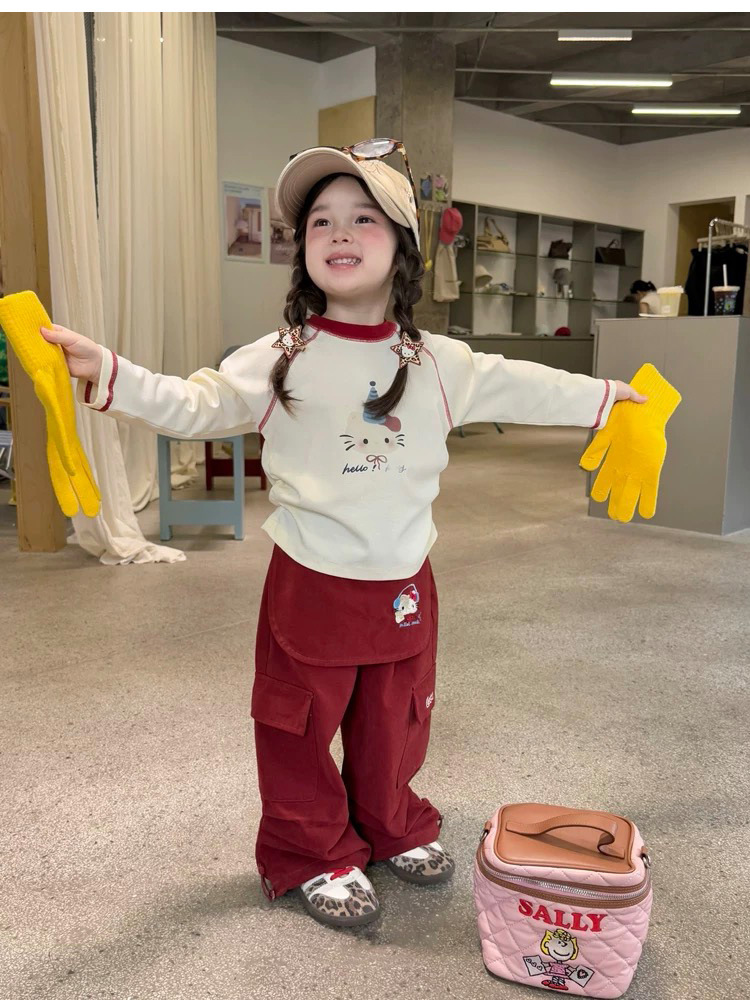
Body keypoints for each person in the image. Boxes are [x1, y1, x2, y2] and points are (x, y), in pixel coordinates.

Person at [40, 140, 647, 931]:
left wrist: (616, 398)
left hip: (404, 580)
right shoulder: (278, 358)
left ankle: (389, 822)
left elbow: (530, 385)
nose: (338, 232)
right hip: (312, 579)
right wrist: (106, 369)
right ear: (304, 250)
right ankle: (312, 848)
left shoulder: (441, 363)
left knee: (397, 718)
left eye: (364, 218)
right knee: (296, 725)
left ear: (403, 247)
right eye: (320, 221)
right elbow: (190, 404)